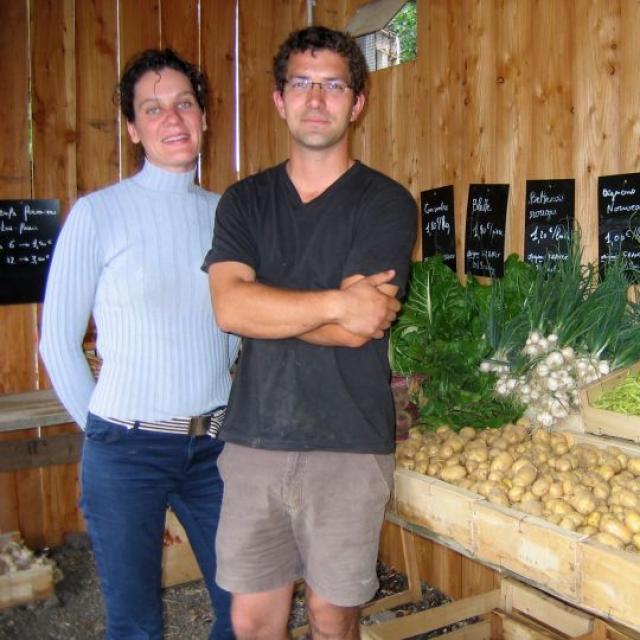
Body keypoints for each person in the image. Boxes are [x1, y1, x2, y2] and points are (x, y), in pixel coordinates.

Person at [204, 26, 417, 640]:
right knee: (252, 618)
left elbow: (363, 327)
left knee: (332, 617)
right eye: (301, 83)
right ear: (279, 99)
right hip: (253, 441)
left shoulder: (384, 203)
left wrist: (268, 306)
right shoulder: (244, 202)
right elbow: (230, 310)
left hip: (349, 444)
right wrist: (330, 303)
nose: (316, 99)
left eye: (333, 85)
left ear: (357, 103)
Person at [40, 48, 238, 640]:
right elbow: (57, 342)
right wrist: (105, 429)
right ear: (133, 128)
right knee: (135, 625)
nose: (172, 119)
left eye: (184, 103)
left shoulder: (227, 214)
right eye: (153, 109)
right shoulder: (98, 215)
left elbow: (232, 328)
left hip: (214, 449)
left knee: (248, 606)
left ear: (203, 116)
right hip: (125, 452)